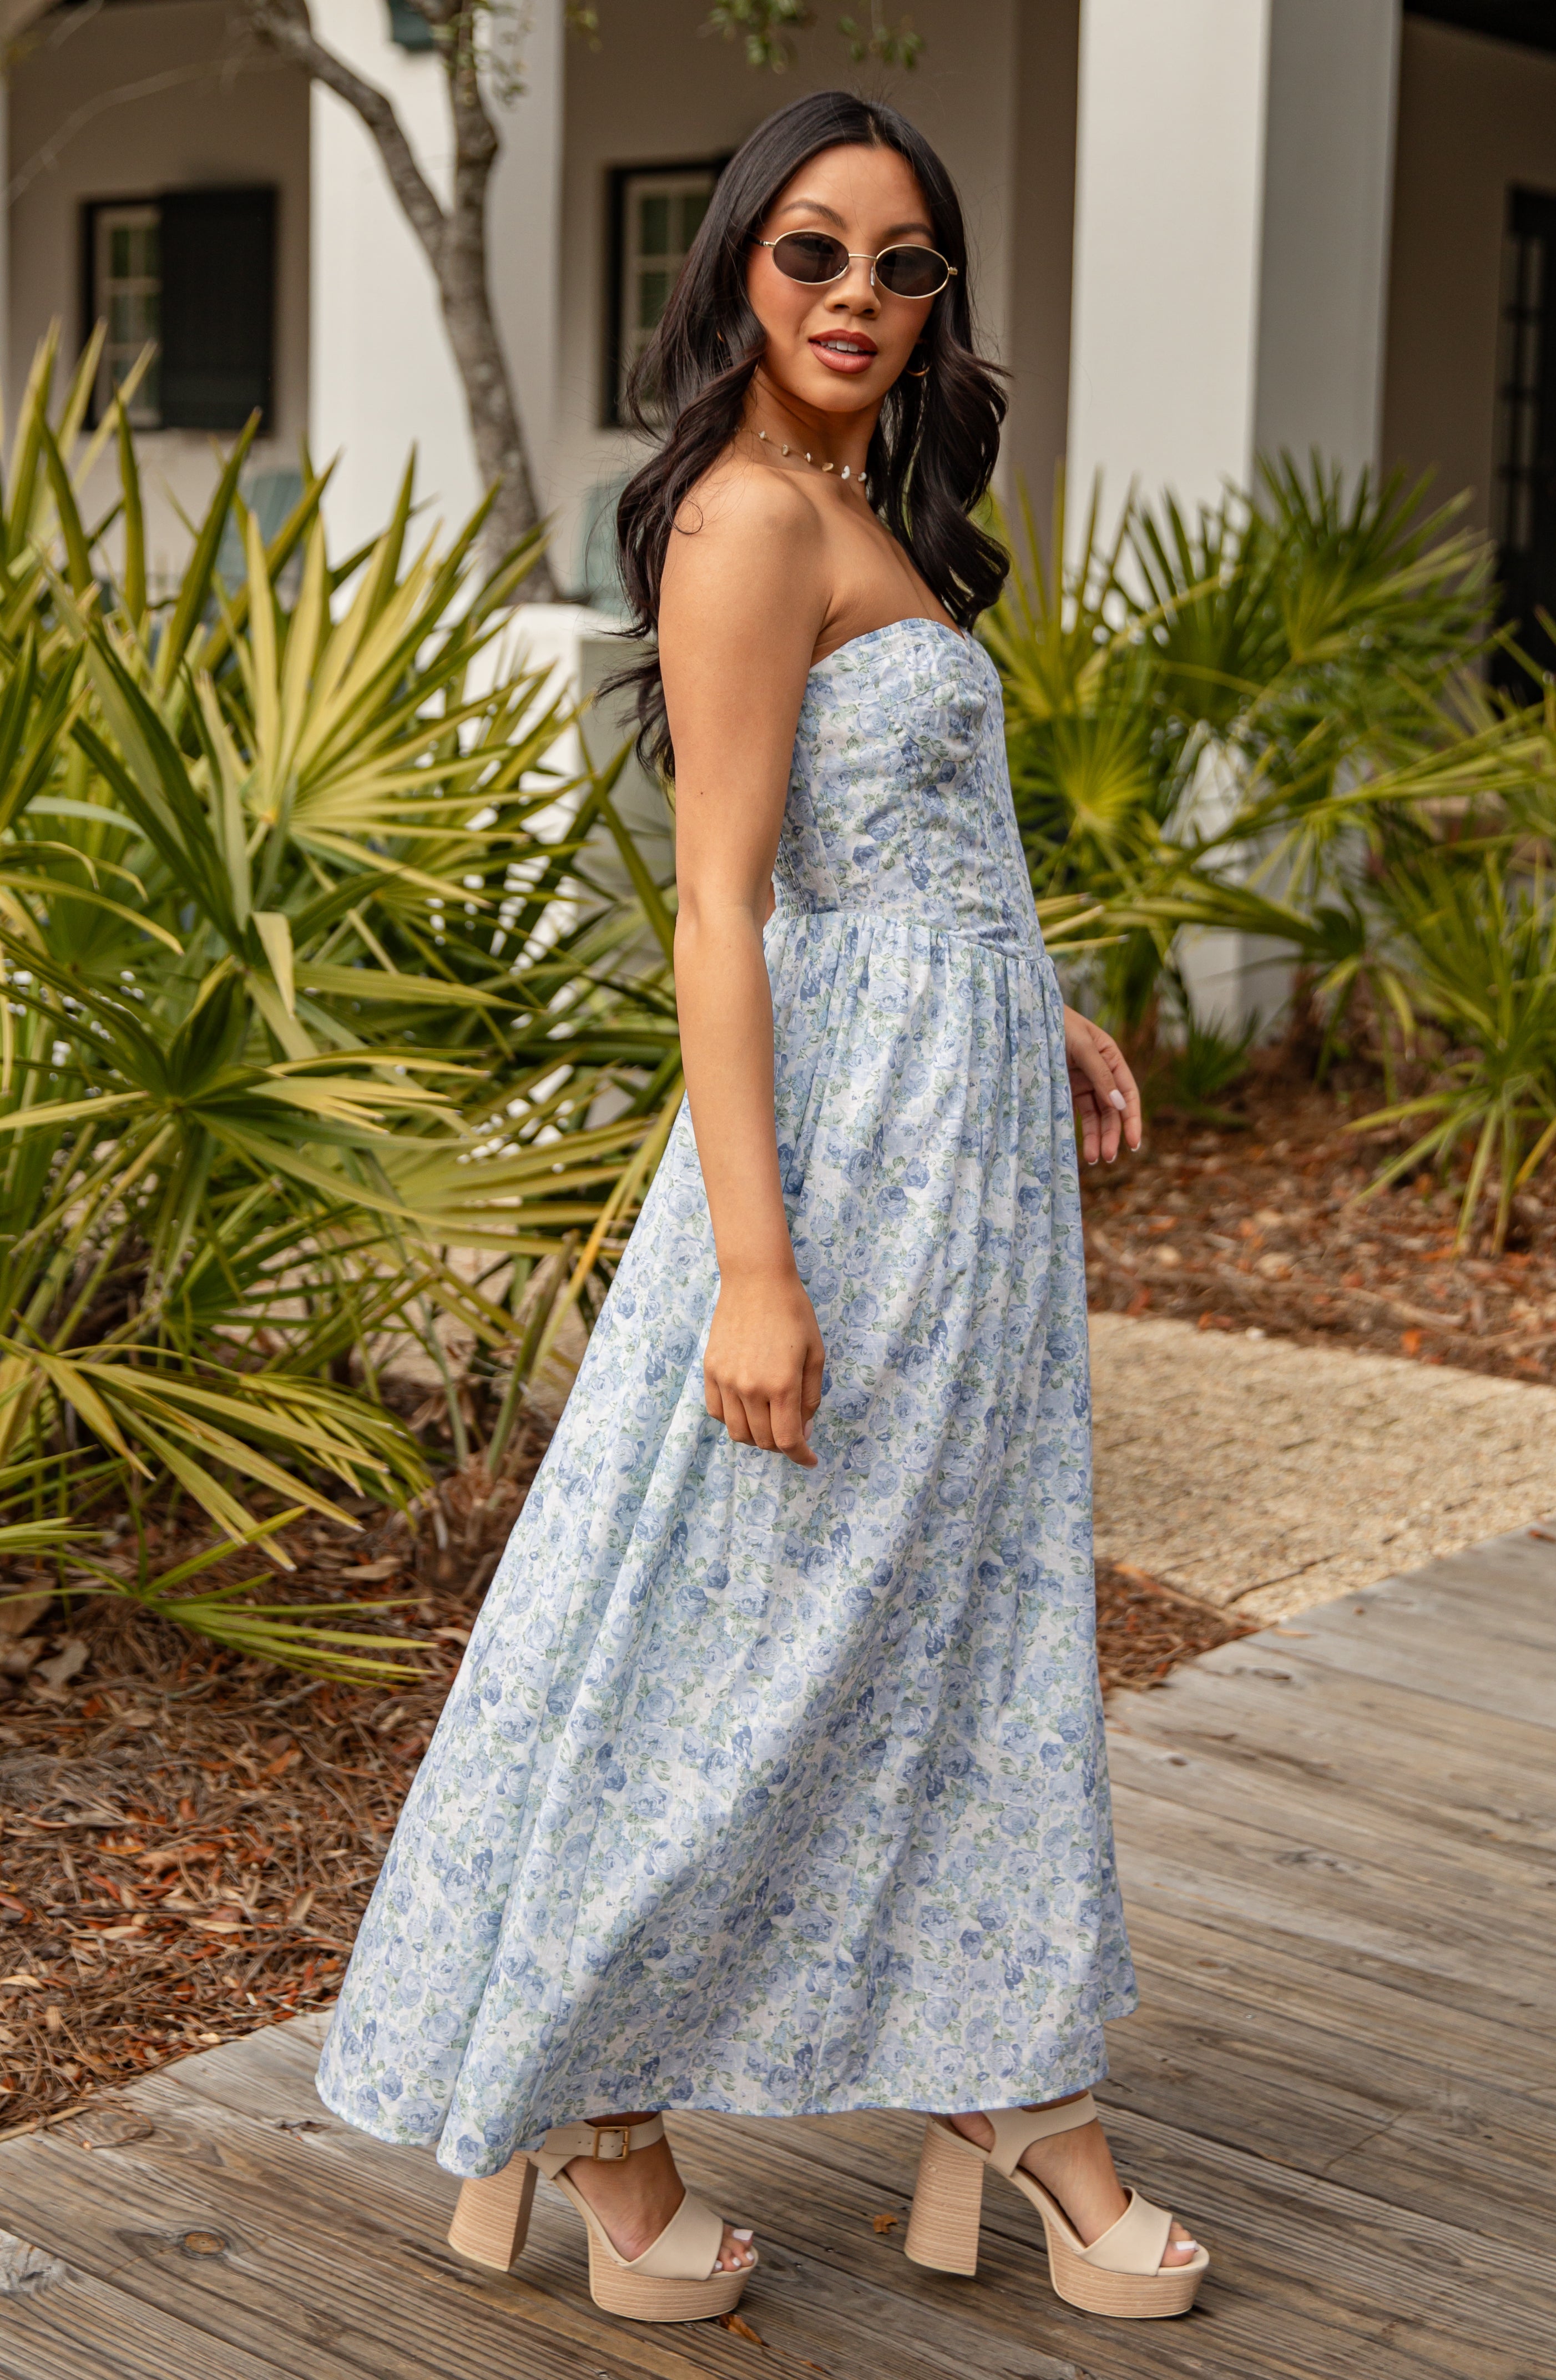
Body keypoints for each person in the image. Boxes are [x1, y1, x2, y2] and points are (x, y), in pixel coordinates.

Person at [317, 88, 1207, 2328]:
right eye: (812, 250)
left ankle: (1004, 2075)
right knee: (740, 1636)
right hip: (840, 1164)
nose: (856, 295)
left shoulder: (857, 506)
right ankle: (588, 2093)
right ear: (735, 267)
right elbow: (719, 910)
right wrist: (754, 1268)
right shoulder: (741, 518)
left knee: (961, 1623)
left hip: (960, 1153)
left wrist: (1031, 998)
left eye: (903, 263)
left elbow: (883, 853)